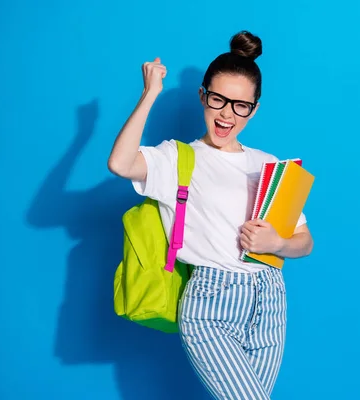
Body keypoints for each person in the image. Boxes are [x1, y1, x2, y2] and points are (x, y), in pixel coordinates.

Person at [107, 30, 314, 399]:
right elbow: (121, 163)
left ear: (254, 109)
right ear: (203, 96)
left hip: (269, 301)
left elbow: (305, 242)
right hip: (211, 302)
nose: (226, 114)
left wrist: (278, 242)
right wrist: (149, 93)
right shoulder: (177, 158)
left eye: (240, 105)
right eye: (218, 99)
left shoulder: (269, 165)